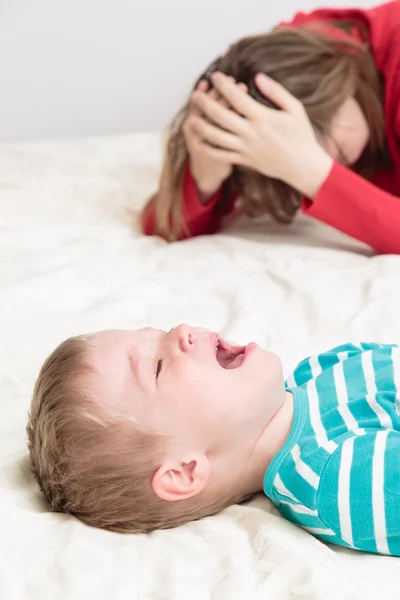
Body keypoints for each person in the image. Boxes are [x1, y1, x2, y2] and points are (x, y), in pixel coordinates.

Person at [28, 324, 400, 556]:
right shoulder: (334, 478)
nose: (180, 330)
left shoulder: (315, 372)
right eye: (157, 366)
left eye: (156, 331)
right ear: (184, 470)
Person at [141, 2, 400, 254]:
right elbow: (164, 226)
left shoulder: (344, 54)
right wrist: (205, 175)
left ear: (341, 84)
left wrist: (310, 171)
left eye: (321, 132)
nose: (321, 155)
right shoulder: (275, 70)